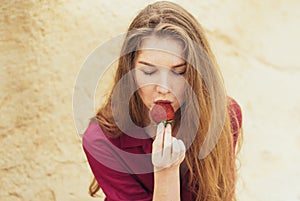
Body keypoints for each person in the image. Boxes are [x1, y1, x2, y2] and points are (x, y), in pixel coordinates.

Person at [82, 1, 242, 201]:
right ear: (129, 71)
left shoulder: (225, 116)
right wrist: (166, 171)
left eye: (179, 72)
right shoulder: (101, 140)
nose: (164, 88)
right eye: (149, 71)